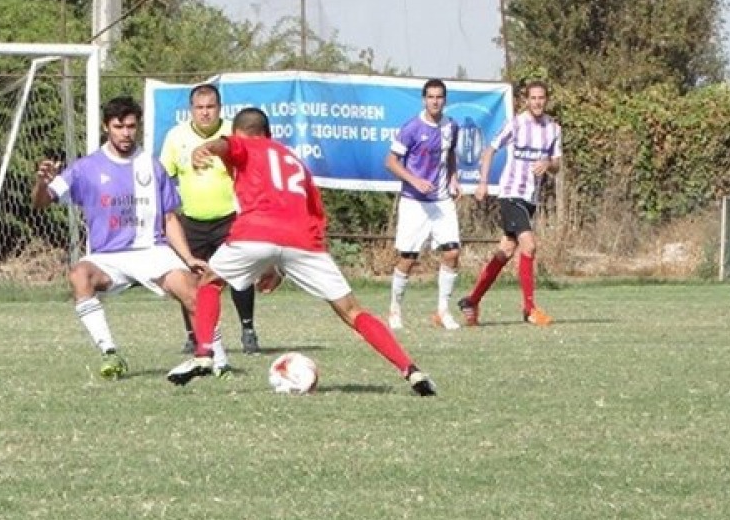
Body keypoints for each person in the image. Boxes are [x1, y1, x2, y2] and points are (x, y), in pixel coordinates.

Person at [167, 107, 437, 396]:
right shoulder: (295, 162)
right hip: (303, 241)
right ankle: (411, 370)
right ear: (269, 133)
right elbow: (315, 215)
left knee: (210, 281)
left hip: (255, 230)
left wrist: (207, 147)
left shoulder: (245, 143)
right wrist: (277, 264)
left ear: (241, 133)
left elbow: (227, 145)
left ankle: (205, 352)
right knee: (353, 311)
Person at [32, 95, 232, 379]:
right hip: (108, 256)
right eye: (118, 127)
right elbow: (41, 202)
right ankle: (110, 353)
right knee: (79, 274)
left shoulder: (151, 165)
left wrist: (187, 258)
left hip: (151, 250)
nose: (125, 133)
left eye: (130, 126)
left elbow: (170, 217)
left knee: (193, 291)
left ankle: (218, 362)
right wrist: (42, 182)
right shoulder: (86, 168)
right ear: (106, 127)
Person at [160, 83, 262, 355]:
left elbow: (252, 170)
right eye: (199, 108)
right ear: (191, 110)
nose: (205, 113)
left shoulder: (232, 134)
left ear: (220, 109)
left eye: (210, 107)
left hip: (229, 218)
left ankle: (248, 330)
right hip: (191, 220)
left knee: (239, 277)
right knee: (190, 280)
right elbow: (164, 177)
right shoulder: (175, 137)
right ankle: (194, 335)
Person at [459, 80, 562, 327]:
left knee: (505, 251)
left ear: (546, 100)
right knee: (529, 246)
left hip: (530, 198)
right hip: (510, 193)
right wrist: (483, 182)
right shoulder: (516, 124)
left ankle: (471, 301)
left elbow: (557, 165)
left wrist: (548, 164)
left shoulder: (553, 128)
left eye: (541, 98)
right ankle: (530, 309)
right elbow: (489, 150)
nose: (537, 102)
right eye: (533, 98)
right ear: (526, 100)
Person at [383, 78, 462, 331]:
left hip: (441, 200)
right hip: (414, 202)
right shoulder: (412, 128)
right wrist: (414, 180)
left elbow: (449, 155)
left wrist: (453, 178)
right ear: (424, 99)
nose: (435, 101)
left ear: (445, 100)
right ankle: (394, 309)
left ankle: (443, 311)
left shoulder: (452, 126)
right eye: (430, 97)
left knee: (452, 252)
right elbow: (391, 162)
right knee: (408, 258)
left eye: (439, 97)